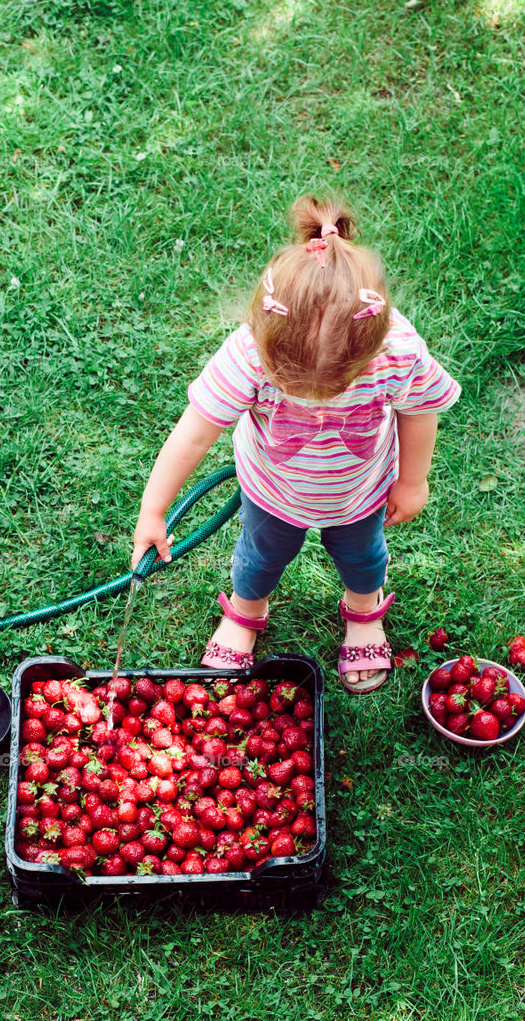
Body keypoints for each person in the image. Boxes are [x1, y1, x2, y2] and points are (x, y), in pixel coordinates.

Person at [131, 196, 461, 694]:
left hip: (360, 490)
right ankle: (246, 613)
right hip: (271, 489)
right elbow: (193, 434)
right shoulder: (248, 354)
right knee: (260, 556)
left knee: (363, 557)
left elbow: (420, 410)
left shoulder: (397, 349)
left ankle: (364, 612)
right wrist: (153, 510)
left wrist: (413, 481)